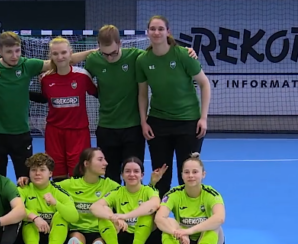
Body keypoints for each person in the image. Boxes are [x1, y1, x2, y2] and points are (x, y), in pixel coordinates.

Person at [0, 31, 96, 178]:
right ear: (0, 51)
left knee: (25, 178)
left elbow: (61, 60)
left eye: (17, 51)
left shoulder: (27, 65)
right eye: (9, 52)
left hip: (21, 134)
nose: (14, 56)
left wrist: (93, 52)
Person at [84, 24, 197, 184]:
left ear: (120, 44)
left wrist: (186, 51)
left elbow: (161, 53)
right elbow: (67, 62)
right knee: (110, 178)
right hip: (106, 127)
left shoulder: (136, 56)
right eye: (105, 54)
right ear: (98, 48)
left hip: (133, 128)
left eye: (113, 53)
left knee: (133, 176)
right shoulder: (93, 60)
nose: (109, 58)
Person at [137, 15, 211, 198]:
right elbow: (143, 94)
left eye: (160, 29)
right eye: (153, 29)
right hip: (158, 123)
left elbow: (205, 84)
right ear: (147, 32)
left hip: (188, 122)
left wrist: (203, 118)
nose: (156, 32)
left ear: (168, 32)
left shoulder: (183, 55)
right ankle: (159, 215)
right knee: (161, 175)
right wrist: (144, 122)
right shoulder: (143, 60)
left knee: (187, 175)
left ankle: (188, 214)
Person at [155, 153, 225, 244]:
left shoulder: (211, 194)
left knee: (214, 225)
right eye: (186, 172)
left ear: (203, 174)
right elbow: (159, 219)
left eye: (195, 172)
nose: (191, 175)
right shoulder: (174, 194)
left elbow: (220, 217)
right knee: (168, 222)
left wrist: (188, 231)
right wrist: (177, 232)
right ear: (182, 175)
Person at [90, 157, 164, 244]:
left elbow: (154, 205)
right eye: (128, 171)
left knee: (149, 214)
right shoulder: (117, 192)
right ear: (122, 175)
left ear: (142, 175)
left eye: (136, 171)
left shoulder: (149, 190)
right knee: (104, 214)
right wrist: (113, 217)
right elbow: (94, 207)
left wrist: (125, 216)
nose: (132, 174)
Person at [38, 37, 97, 178]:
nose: (60, 57)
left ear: (71, 53)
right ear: (51, 56)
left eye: (63, 52)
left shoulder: (82, 76)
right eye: (55, 53)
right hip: (54, 133)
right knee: (57, 172)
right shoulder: (46, 79)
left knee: (79, 173)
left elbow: (98, 94)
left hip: (78, 132)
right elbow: (46, 99)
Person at [57, 148, 120, 244]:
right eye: (100, 159)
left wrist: (152, 183)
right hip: (76, 230)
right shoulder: (69, 185)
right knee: (76, 238)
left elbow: (129, 193)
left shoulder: (110, 185)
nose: (106, 163)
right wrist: (26, 183)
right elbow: (47, 188)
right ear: (86, 163)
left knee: (100, 241)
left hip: (101, 230)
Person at [15, 153, 78, 244]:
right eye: (33, 170)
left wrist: (56, 204)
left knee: (60, 215)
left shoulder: (58, 192)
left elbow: (74, 216)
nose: (37, 173)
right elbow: (15, 209)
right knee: (28, 215)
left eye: (42, 170)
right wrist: (35, 218)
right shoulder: (23, 189)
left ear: (50, 173)